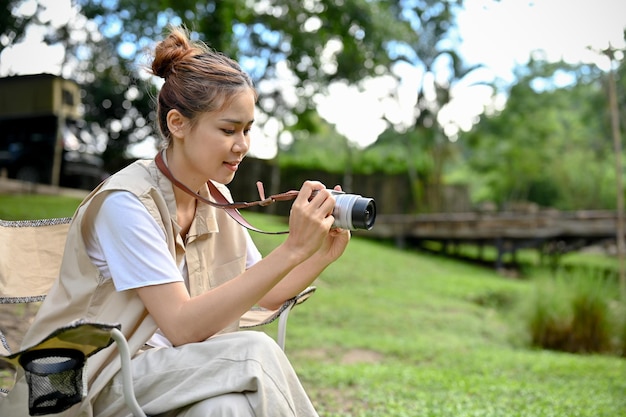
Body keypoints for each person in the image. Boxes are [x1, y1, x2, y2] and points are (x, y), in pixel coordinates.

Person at [2, 25, 350, 417]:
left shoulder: (217, 199)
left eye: (248, 130)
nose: (242, 145)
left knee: (224, 409)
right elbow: (183, 325)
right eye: (228, 129)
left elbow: (266, 295)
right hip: (93, 381)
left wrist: (320, 254)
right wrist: (292, 248)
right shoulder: (127, 203)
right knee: (254, 354)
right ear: (178, 124)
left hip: (169, 373)